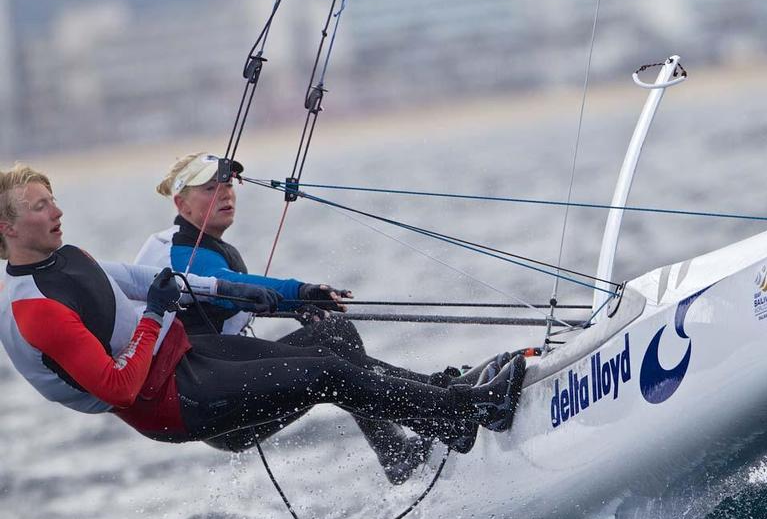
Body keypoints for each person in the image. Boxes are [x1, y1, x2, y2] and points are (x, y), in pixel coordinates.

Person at [0, 164, 526, 464]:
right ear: (7, 228)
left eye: (54, 199)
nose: (59, 211)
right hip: (171, 402)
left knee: (332, 340)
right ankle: (461, 414)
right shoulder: (34, 312)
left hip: (189, 358)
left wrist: (273, 295)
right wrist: (154, 319)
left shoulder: (67, 256)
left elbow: (140, 281)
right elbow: (118, 389)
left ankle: (443, 408)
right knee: (325, 373)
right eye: (41, 206)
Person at [136, 152, 508, 482]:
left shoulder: (202, 246)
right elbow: (226, 287)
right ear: (182, 204)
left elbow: (227, 301)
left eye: (228, 184)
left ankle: (414, 430)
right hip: (217, 406)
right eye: (211, 188)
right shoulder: (177, 252)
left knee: (332, 335)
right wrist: (297, 292)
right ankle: (445, 409)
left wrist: (299, 305)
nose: (227, 192)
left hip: (224, 385)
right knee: (328, 360)